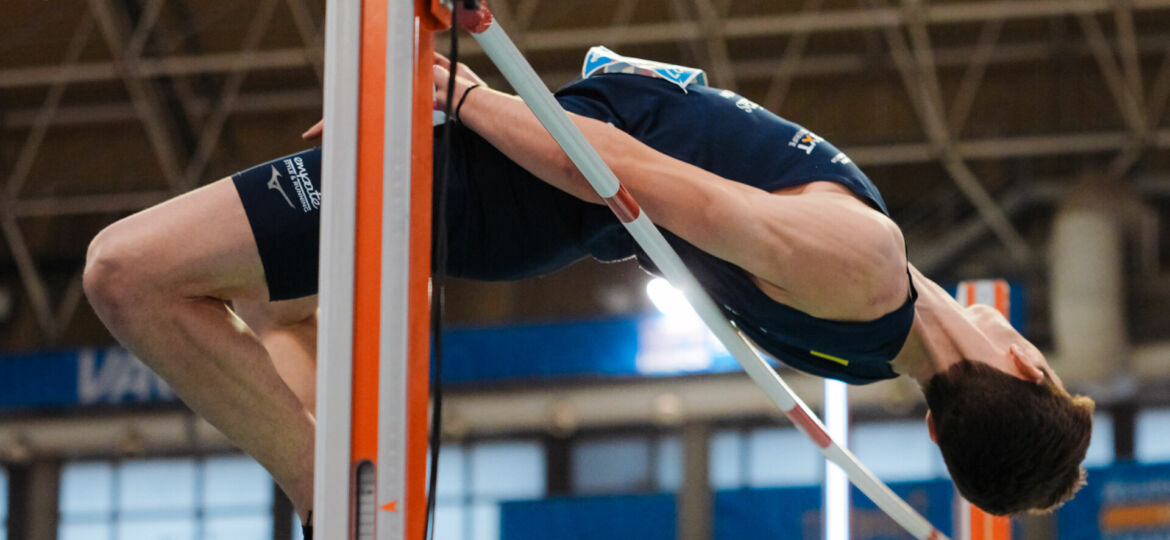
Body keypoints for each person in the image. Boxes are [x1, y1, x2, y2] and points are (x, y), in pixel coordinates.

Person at [82, 49, 1093, 535]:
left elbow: (625, 180)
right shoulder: (861, 345)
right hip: (523, 184)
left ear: (1025, 361)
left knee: (127, 274)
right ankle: (338, 469)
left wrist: (463, 96)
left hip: (504, 177)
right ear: (935, 430)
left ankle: (328, 498)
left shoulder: (863, 265)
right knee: (271, 306)